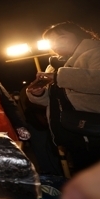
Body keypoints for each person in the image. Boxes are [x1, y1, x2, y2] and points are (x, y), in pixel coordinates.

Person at [26, 21, 100, 173]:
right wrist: (39, 93)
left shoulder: (95, 51)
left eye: (61, 37)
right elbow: (55, 100)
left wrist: (59, 76)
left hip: (94, 132)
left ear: (79, 35)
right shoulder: (54, 65)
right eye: (50, 41)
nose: (54, 43)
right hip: (72, 134)